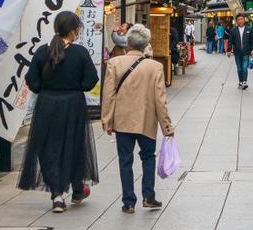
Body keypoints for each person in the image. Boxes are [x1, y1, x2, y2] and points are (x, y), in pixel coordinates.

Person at [18, 11, 100, 213]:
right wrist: (75, 86)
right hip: (73, 104)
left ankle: (56, 195)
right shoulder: (80, 52)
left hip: (47, 104)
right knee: (74, 145)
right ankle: (78, 188)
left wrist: (44, 89)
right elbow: (91, 80)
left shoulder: (42, 52)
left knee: (48, 147)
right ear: (73, 30)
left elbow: (32, 80)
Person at [102, 24, 175, 214]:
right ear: (146, 45)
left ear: (128, 43)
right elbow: (160, 99)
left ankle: (128, 202)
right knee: (148, 157)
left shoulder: (114, 63)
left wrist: (107, 120)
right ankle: (149, 196)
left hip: (123, 120)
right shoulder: (156, 67)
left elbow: (108, 94)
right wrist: (166, 125)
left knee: (125, 159)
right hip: (146, 119)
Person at [227, 13, 253, 90]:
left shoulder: (249, 29)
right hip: (237, 52)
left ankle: (245, 82)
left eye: (242, 19)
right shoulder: (233, 30)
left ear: (244, 20)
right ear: (236, 21)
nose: (240, 21)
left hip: (246, 52)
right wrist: (229, 50)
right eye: (238, 19)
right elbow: (230, 41)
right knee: (239, 68)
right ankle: (240, 81)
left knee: (244, 67)